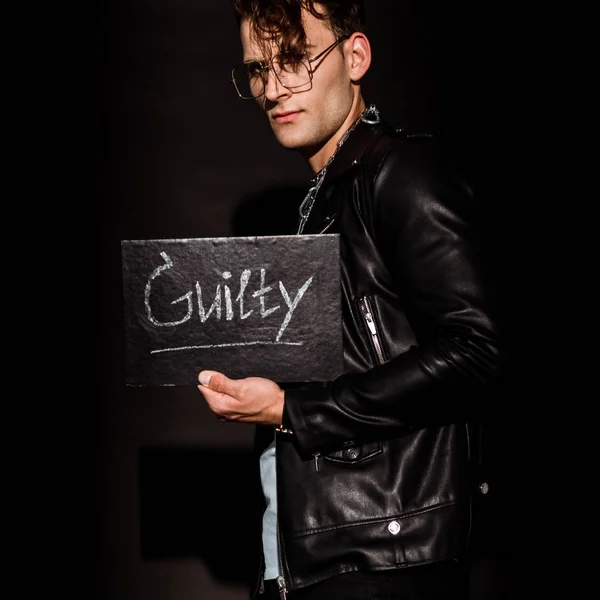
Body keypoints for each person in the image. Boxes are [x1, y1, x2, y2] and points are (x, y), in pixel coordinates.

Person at [197, 1, 508, 598]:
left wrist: (292, 410)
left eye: (294, 58)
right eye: (258, 68)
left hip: (385, 557)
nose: (273, 87)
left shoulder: (402, 174)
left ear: (355, 56)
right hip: (314, 563)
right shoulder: (321, 204)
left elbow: (478, 351)